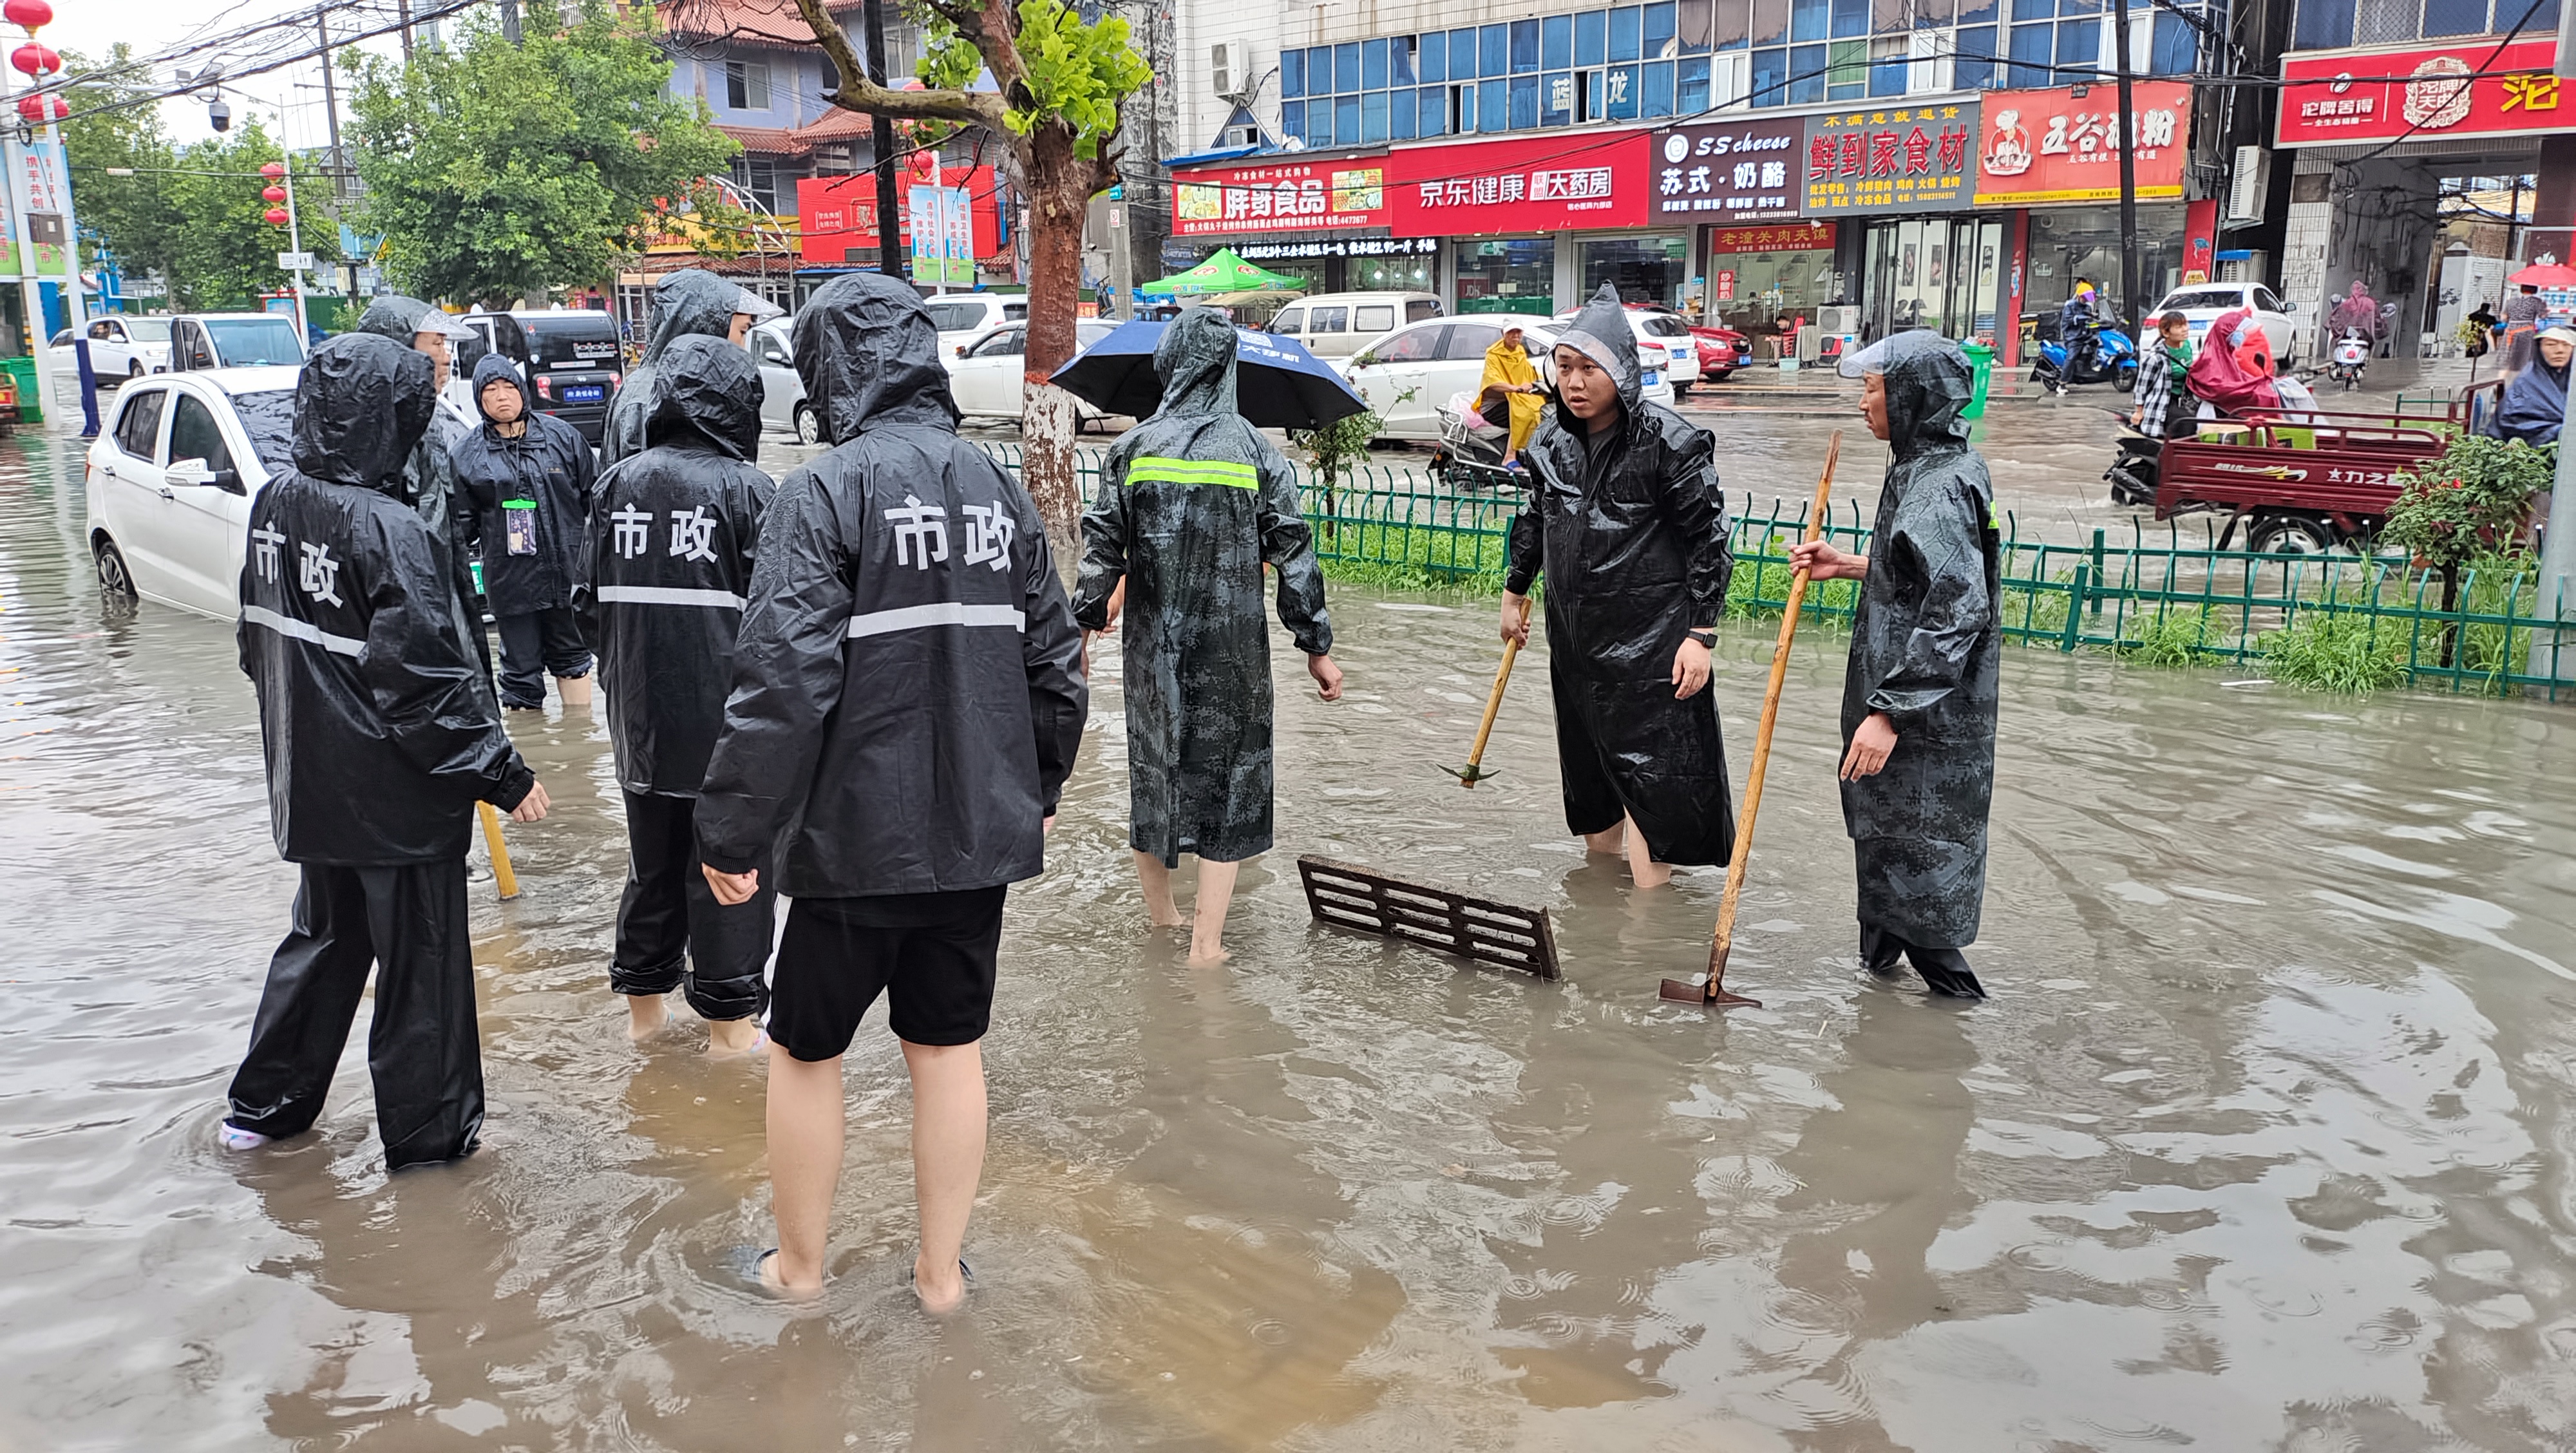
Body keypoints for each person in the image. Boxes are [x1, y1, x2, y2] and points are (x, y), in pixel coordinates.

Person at [693, 273, 1086, 1305]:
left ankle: (799, 1272)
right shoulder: (997, 489)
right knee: (949, 1051)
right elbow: (1057, 662)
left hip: (850, 847)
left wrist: (730, 830)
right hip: (975, 841)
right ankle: (939, 1279)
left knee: (805, 1051)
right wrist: (1039, 787)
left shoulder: (822, 492)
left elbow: (780, 683)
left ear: (828, 370)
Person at [220, 333, 551, 1166]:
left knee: (322, 944)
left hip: (310, 783)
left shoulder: (274, 504)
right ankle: (430, 1149)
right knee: (421, 971)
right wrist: (502, 773)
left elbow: (253, 645)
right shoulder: (391, 528)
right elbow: (424, 684)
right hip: (398, 801)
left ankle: (262, 1113)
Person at [1071, 308, 1343, 965]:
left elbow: (1101, 551)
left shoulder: (1132, 450)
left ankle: (1163, 920)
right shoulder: (1256, 452)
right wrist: (1317, 648)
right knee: (1230, 783)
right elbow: (1294, 552)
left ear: (1167, 365)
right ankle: (1206, 945)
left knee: (1153, 771)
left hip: (1151, 655)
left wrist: (1081, 631)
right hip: (1233, 654)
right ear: (1227, 368)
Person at [1501, 282, 1734, 891]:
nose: (1575, 383)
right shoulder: (1550, 440)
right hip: (1576, 640)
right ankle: (1598, 901)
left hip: (1652, 645)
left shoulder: (1670, 443)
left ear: (1622, 372)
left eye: (1590, 369)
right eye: (1565, 367)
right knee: (1589, 774)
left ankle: (1648, 923)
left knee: (1650, 781)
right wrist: (1515, 592)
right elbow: (1535, 518)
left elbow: (1708, 541)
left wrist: (1701, 635)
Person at [1790, 331, 2000, 1002]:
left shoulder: (1938, 487)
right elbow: (1924, 576)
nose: (1863, 404)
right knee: (1884, 858)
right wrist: (1855, 564)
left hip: (1921, 724)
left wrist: (1890, 713)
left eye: (1873, 389)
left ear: (1911, 396)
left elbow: (1959, 610)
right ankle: (1873, 1000)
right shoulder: (1931, 466)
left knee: (1917, 874)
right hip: (1905, 709)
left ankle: (1959, 1017)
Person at [583, 335, 777, 1054]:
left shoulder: (614, 486)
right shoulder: (751, 492)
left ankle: (645, 1026)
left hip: (638, 724)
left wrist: (627, 674)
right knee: (731, 873)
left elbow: (585, 606)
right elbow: (781, 627)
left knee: (652, 867)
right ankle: (730, 1037)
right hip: (730, 732)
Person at [451, 355, 598, 711]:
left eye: (508, 387)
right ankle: (528, 737)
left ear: (522, 390)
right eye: (490, 390)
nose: (502, 396)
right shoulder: (467, 455)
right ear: (479, 399)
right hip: (511, 584)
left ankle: (578, 733)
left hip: (568, 576)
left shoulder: (563, 438)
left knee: (574, 659)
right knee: (519, 672)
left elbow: (596, 503)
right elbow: (459, 528)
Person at [356, 296, 489, 676]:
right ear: (401, 348)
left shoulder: (425, 420)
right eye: (437, 344)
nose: (446, 358)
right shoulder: (379, 430)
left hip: (441, 587)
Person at [601, 270, 775, 468]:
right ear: (707, 326)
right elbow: (647, 479)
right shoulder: (647, 397)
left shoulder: (696, 387)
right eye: (742, 332)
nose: (743, 347)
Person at [2184, 308, 2282, 418]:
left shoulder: (2227, 354)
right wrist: (2250, 389)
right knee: (2266, 399)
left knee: (2270, 395)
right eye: (2240, 332)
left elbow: (2236, 377)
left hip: (2234, 402)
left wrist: (2257, 382)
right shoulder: (2211, 361)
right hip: (2223, 410)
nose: (2243, 335)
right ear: (2227, 333)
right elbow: (2219, 389)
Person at [2486, 324, 2573, 444]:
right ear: (2539, 348)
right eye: (2551, 345)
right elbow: (2514, 422)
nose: (2560, 350)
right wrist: (2560, 432)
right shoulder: (2526, 383)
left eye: (2566, 345)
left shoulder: (2571, 380)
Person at [1476, 323, 1546, 469]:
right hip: (1495, 406)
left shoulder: (1520, 352)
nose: (1516, 336)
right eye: (1511, 332)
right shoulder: (1494, 356)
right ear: (1504, 333)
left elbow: (1530, 374)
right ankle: (1509, 457)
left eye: (1518, 332)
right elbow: (1492, 382)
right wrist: (1516, 388)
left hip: (1519, 398)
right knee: (1524, 414)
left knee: (1543, 410)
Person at [2130, 310, 2198, 439]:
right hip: (2164, 401)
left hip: (2184, 398)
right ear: (2166, 333)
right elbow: (2141, 387)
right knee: (2187, 422)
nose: (2185, 329)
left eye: (2185, 324)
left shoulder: (2187, 346)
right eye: (2179, 327)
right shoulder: (2156, 358)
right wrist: (2139, 412)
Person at [2503, 283, 2550, 376]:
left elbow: (2504, 317)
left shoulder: (2511, 301)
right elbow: (2543, 316)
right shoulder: (2537, 302)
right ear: (2534, 289)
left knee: (2508, 360)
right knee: (2524, 357)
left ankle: (2502, 379)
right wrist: (2545, 309)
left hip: (2510, 331)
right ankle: (2520, 378)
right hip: (2526, 331)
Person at [2060, 279, 2101, 379]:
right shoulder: (2070, 306)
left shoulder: (2087, 307)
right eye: (2083, 298)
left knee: (2099, 343)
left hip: (2085, 335)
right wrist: (2082, 317)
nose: (2085, 300)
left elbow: (2089, 320)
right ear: (2079, 296)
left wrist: (2096, 319)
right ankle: (2063, 381)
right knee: (2071, 357)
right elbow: (2070, 320)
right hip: (2073, 337)